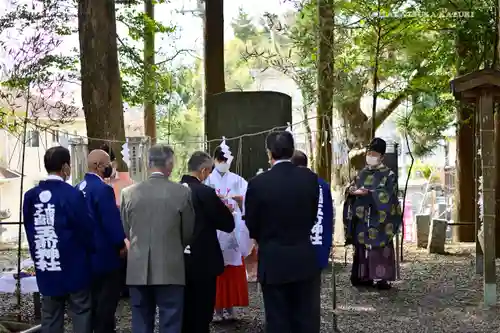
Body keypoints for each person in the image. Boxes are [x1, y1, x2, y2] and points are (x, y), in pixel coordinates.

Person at [245, 131, 321, 333]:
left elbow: (252, 224)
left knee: (277, 318)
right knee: (306, 318)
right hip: (303, 255)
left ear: (269, 153)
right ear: (292, 150)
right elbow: (313, 216)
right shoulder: (309, 180)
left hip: (273, 257)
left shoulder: (258, 183)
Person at [120, 144, 195, 333]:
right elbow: (187, 231)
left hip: (138, 266)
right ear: (169, 165)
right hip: (171, 265)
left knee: (141, 320)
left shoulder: (128, 193)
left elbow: (127, 229)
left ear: (148, 164)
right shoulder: (182, 192)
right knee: (171, 319)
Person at [22, 146, 94, 333]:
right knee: (81, 312)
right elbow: (86, 229)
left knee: (51, 316)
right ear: (65, 168)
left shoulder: (30, 196)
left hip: (47, 263)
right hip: (74, 266)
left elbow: (31, 231)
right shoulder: (72, 194)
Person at [180, 151, 235, 333]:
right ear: (203, 171)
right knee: (202, 310)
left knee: (181, 309)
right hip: (203, 258)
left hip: (176, 258)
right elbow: (227, 224)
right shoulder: (205, 193)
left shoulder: (173, 191)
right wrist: (224, 208)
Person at [76, 149, 127, 333]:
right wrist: (120, 244)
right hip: (104, 256)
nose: (110, 167)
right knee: (106, 305)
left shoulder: (77, 187)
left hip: (84, 256)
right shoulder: (102, 189)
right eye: (107, 163)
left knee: (89, 304)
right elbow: (110, 220)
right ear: (98, 166)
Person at [343, 137, 402, 290]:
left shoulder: (389, 175)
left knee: (381, 246)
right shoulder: (362, 173)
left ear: (382, 157)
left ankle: (383, 278)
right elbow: (354, 187)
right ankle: (364, 277)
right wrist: (351, 191)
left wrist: (370, 193)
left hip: (381, 218)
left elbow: (390, 196)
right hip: (363, 217)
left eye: (375, 154)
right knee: (362, 246)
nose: (371, 156)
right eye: (369, 153)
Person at [205, 146, 252, 321]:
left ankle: (231, 307)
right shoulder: (208, 180)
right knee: (217, 268)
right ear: (215, 160)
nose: (223, 164)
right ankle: (217, 308)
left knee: (232, 267)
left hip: (234, 228)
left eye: (226, 161)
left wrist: (240, 202)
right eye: (220, 160)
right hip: (216, 229)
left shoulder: (238, 180)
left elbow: (248, 199)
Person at [291, 150, 334, 270]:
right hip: (320, 241)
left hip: (301, 248)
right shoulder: (323, 184)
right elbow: (329, 214)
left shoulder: (296, 184)